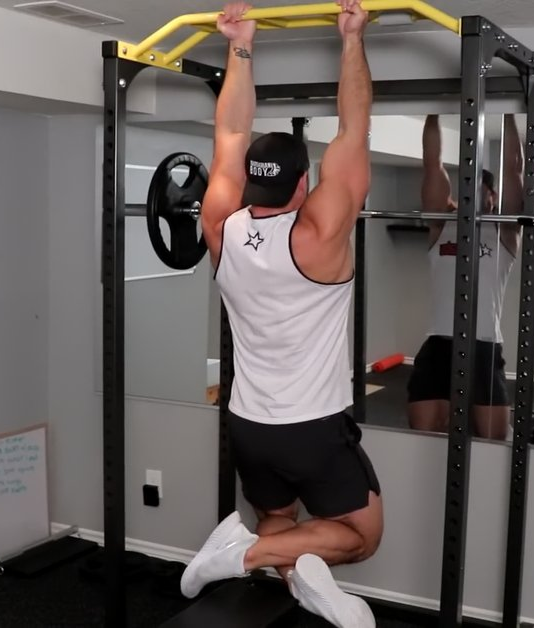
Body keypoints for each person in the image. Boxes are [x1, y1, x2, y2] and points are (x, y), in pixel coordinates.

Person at [180, 2, 382, 627]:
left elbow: (230, 134)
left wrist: (240, 46)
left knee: (278, 516)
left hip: (249, 422)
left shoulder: (220, 224)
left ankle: (298, 582)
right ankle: (239, 555)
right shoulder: (319, 232)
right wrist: (351, 40)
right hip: (312, 426)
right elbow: (354, 129)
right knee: (360, 536)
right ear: (302, 184)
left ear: (249, 183)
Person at [405, 113, 524, 439]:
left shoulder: (504, 231)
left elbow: (514, 169)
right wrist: (433, 111)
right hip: (439, 344)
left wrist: (509, 111)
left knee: (491, 439)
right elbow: (432, 164)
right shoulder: (442, 223)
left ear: (493, 197)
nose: (473, 196)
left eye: (481, 190)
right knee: (425, 433)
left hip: (484, 346)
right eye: (467, 189)